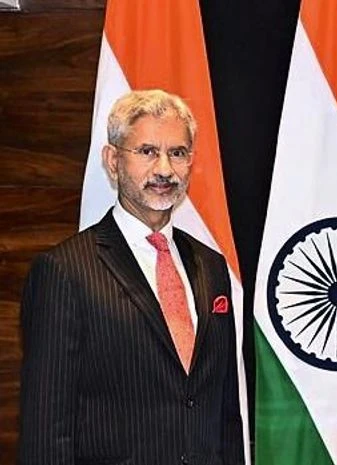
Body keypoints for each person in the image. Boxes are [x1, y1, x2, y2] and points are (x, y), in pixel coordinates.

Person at [18, 90, 244, 465]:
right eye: (147, 151)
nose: (164, 170)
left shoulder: (211, 267)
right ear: (112, 161)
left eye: (177, 152)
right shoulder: (65, 271)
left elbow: (224, 413)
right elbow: (46, 427)